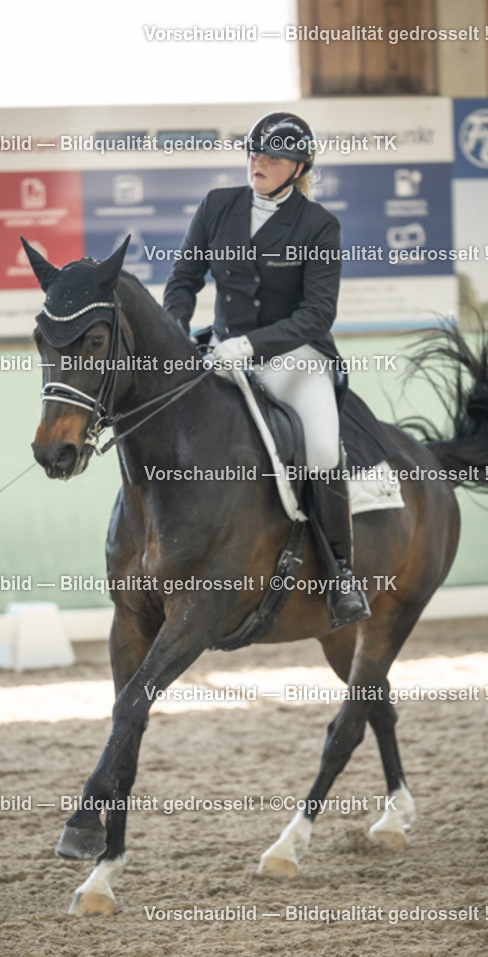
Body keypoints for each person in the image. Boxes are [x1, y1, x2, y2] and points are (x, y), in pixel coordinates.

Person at [163, 111, 370, 628]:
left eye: (271, 157)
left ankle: (341, 575)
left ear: (298, 165)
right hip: (220, 351)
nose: (258, 163)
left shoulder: (319, 224)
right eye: (253, 153)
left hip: (294, 356)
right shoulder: (217, 205)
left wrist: (251, 345)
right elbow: (184, 278)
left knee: (321, 448)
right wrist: (174, 330)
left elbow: (317, 314)